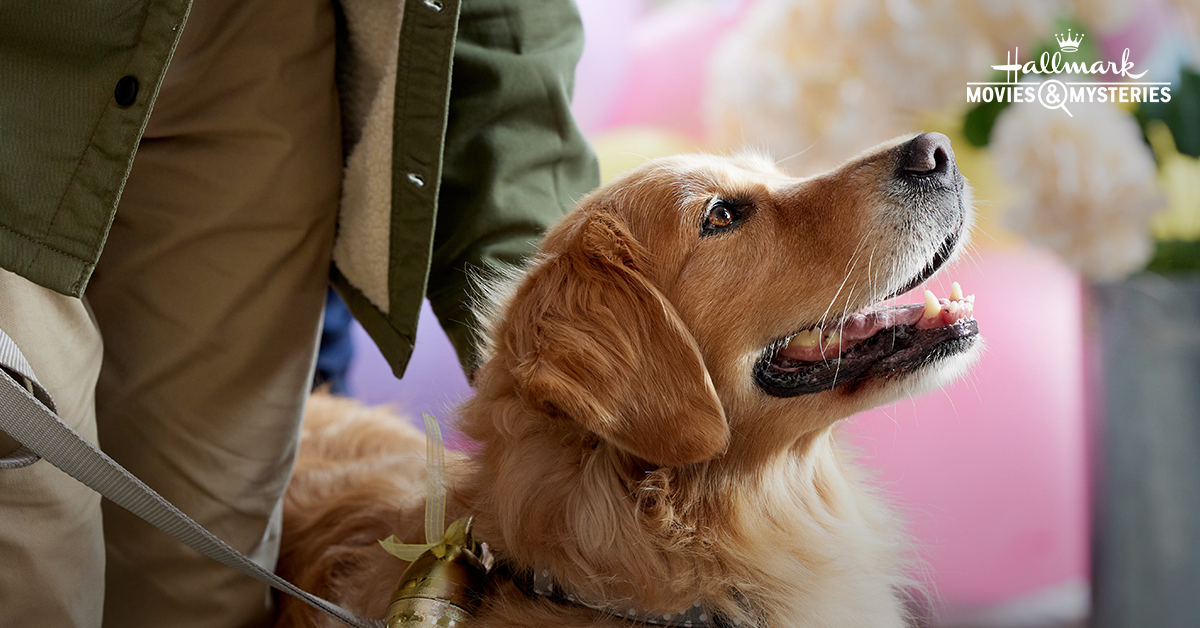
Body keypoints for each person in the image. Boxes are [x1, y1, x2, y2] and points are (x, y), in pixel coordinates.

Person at [0, 0, 599, 625]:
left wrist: (555, 337)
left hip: (263, 53)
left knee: (200, 585)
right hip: (25, 56)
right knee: (28, 563)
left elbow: (508, 31)